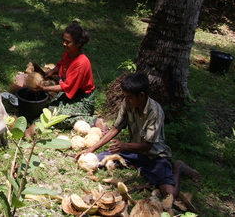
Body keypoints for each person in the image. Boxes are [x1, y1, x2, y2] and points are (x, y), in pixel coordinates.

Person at [75, 71, 200, 199]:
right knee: (97, 160)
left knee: (170, 194)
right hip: (133, 152)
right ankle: (134, 163)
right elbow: (116, 128)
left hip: (155, 156)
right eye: (125, 96)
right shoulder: (127, 103)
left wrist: (125, 146)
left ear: (141, 95)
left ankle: (178, 167)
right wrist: (92, 148)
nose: (126, 100)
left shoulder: (155, 112)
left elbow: (148, 146)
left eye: (129, 97)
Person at [26, 23, 102, 130]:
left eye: (68, 42)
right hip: (69, 95)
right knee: (47, 110)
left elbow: (66, 87)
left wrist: (43, 88)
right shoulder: (68, 53)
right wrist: (52, 71)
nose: (64, 44)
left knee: (56, 119)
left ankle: (93, 121)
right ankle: (37, 124)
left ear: (78, 43)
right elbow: (62, 65)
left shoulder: (81, 63)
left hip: (82, 100)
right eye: (64, 41)